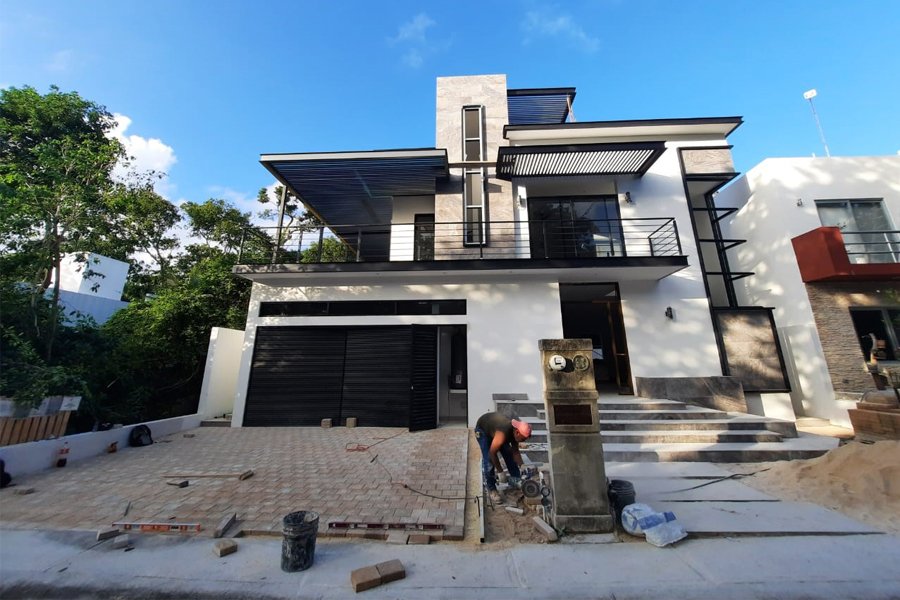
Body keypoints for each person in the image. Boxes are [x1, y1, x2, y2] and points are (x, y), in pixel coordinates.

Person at [475, 412, 532, 505]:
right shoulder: (503, 432)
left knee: (508, 454)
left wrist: (522, 466)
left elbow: (515, 452)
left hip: (495, 429)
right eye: (523, 439)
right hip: (483, 430)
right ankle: (492, 489)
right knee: (488, 461)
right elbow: (492, 453)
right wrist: (500, 472)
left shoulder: (515, 431)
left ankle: (517, 481)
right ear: (517, 432)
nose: (523, 441)